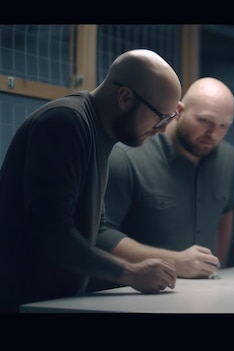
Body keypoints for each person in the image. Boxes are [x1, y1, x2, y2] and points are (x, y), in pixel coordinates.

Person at [0, 49, 181, 312]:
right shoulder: (66, 123)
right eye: (161, 117)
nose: (163, 129)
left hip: (52, 304)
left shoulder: (99, 133)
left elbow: (94, 228)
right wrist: (130, 273)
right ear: (125, 97)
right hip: (20, 306)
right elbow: (51, 232)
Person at [88, 77, 234, 292]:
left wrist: (218, 267)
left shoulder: (229, 159)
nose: (213, 134)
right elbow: (100, 235)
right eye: (205, 121)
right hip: (132, 295)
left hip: (205, 295)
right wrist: (175, 261)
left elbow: (226, 212)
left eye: (224, 126)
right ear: (179, 110)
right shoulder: (127, 156)